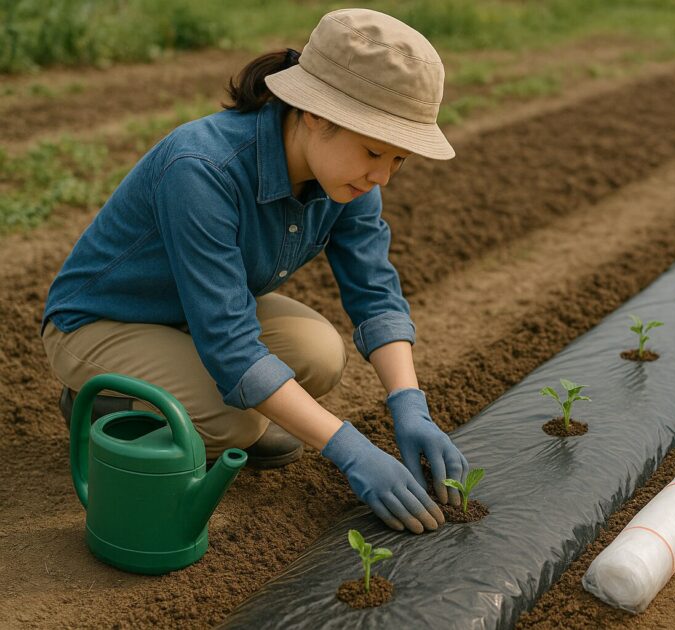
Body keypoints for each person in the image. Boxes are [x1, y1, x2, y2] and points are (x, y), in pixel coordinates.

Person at [40, 8, 468, 535]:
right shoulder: (202, 169)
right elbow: (232, 347)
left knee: (319, 353)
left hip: (194, 315)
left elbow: (374, 291)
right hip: (101, 323)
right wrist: (350, 449)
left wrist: (410, 404)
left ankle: (198, 395)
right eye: (375, 150)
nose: (382, 175)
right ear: (316, 114)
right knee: (234, 421)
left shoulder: (350, 179)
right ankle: (105, 404)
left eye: (399, 160)